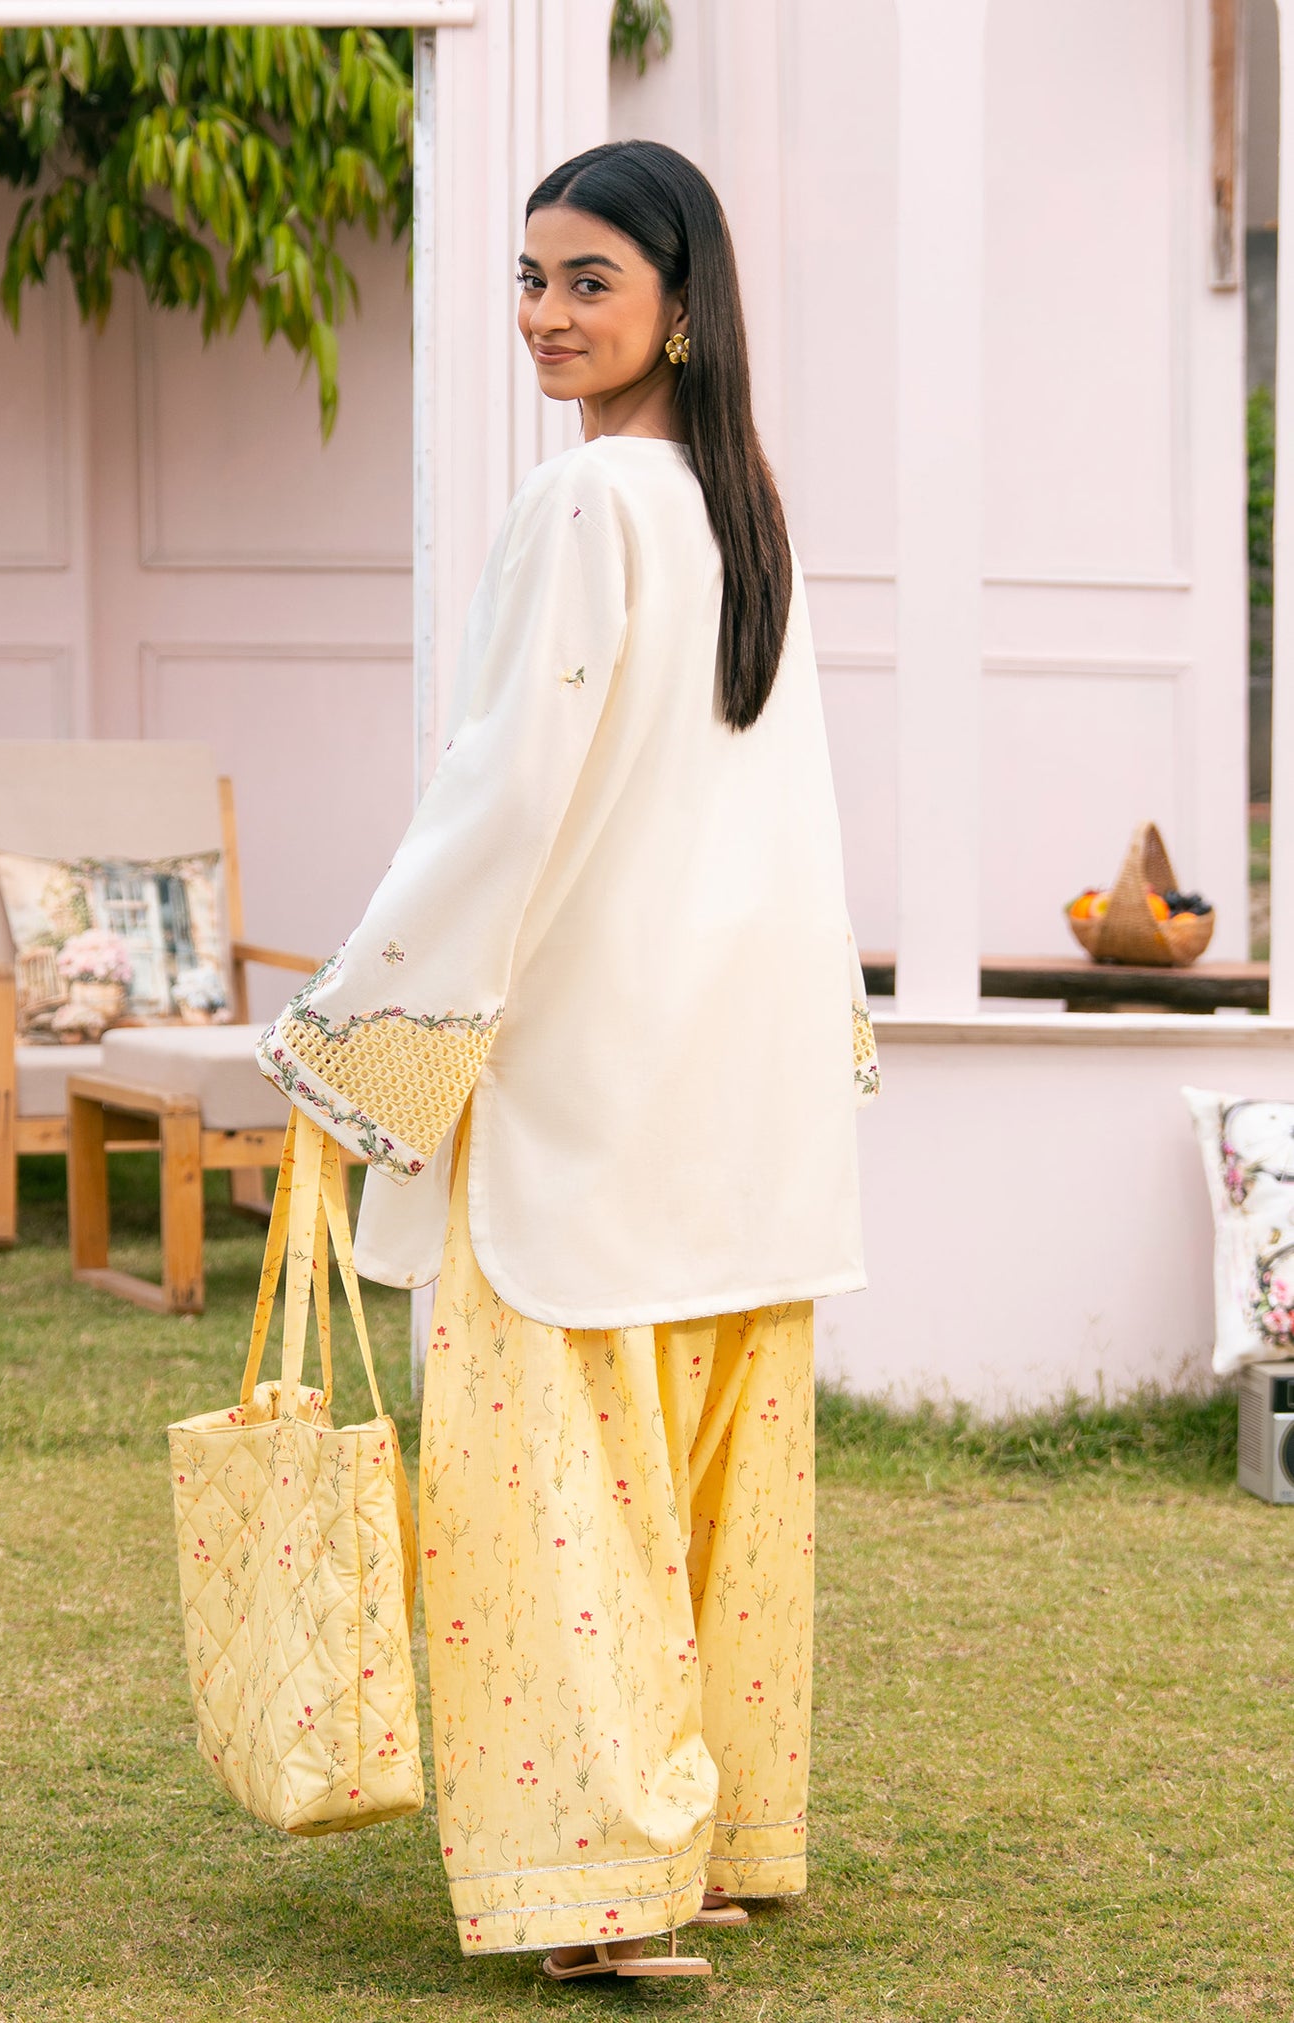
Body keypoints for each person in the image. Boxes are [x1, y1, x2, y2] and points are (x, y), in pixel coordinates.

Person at [257, 137, 881, 1983]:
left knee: (553, 1500)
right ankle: (711, 1839)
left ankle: (604, 1886)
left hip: (591, 1089)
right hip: (736, 1094)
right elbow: (787, 820)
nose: (543, 313)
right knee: (701, 1492)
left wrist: (356, 1028)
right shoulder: (739, 510)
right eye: (529, 278)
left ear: (680, 304)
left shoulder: (590, 502)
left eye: (587, 280)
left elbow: (502, 796)